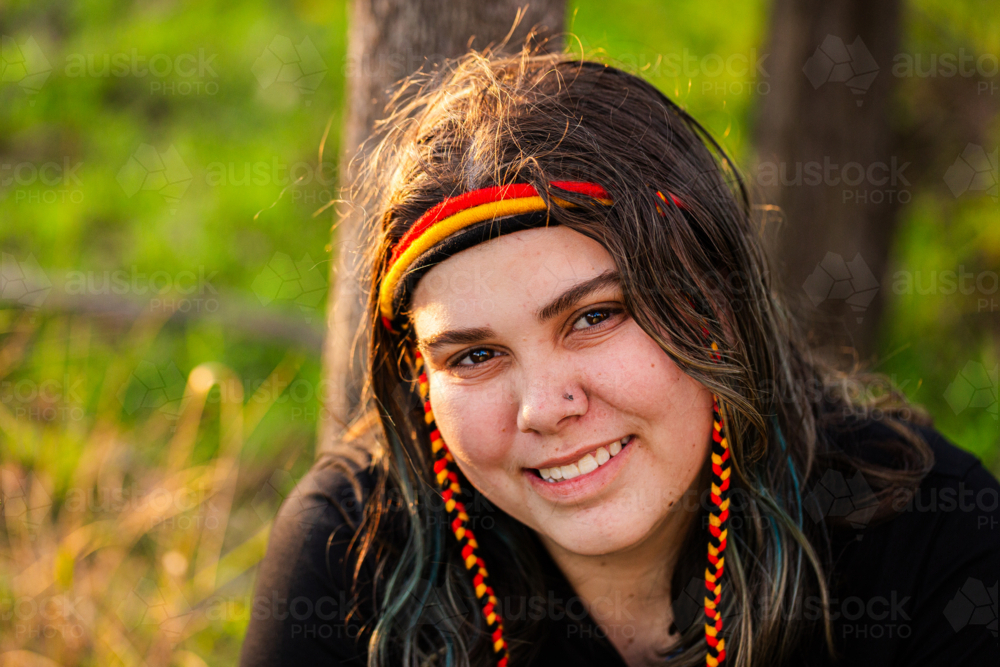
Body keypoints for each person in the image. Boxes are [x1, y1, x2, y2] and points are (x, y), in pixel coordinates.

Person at [239, 44, 1000, 667]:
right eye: (474, 356)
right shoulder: (353, 557)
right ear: (420, 381)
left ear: (716, 302)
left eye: (595, 316)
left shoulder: (924, 540)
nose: (542, 408)